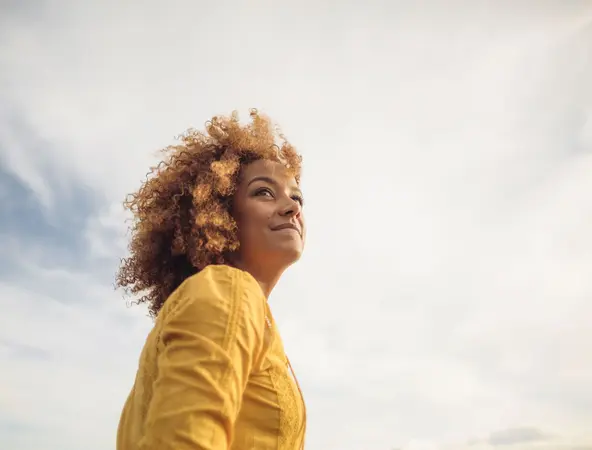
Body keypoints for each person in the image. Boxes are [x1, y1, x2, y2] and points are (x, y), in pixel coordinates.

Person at [115, 109, 307, 450]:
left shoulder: (240, 306)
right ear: (219, 213)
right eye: (264, 192)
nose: (292, 207)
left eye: (297, 197)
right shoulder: (230, 290)